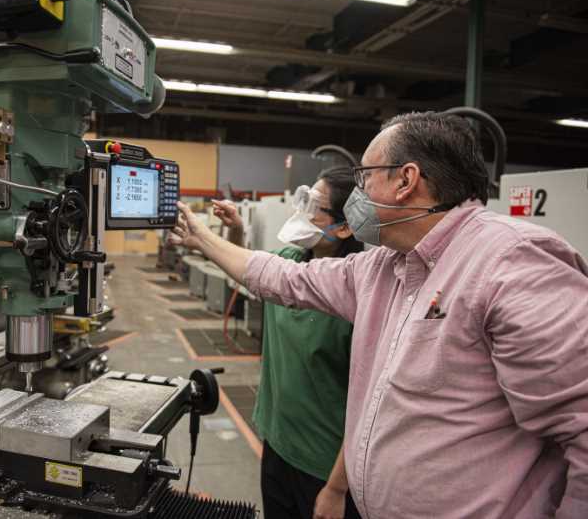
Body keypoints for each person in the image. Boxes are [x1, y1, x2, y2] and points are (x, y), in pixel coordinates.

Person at [169, 112, 588, 519]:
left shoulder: (510, 261)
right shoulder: (385, 266)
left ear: (406, 180)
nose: (358, 193)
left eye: (365, 177)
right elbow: (285, 278)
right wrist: (202, 237)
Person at [212, 167, 363, 519]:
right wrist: (234, 229)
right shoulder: (291, 264)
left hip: (324, 465)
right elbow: (250, 273)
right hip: (278, 443)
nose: (302, 214)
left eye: (315, 207)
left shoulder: (357, 295)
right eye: (304, 201)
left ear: (344, 227)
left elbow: (367, 406)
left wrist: (337, 488)